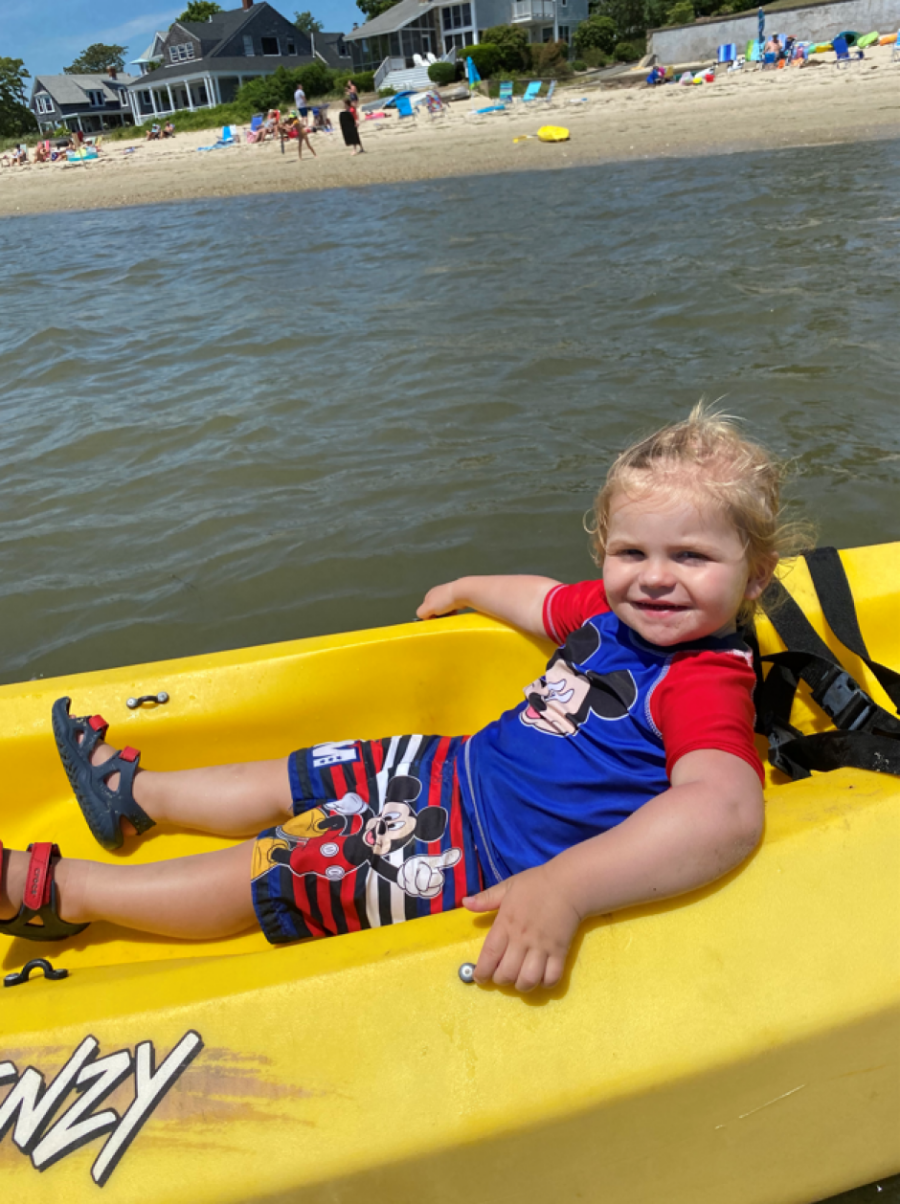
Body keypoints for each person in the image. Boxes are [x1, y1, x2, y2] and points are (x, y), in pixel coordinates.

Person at [0, 409, 800, 993]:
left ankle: (64, 894)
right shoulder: (608, 607)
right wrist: (465, 589)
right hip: (455, 767)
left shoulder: (702, 677)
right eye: (633, 551)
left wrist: (565, 888)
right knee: (296, 775)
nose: (655, 577)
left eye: (690, 556)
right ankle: (135, 796)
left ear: (755, 576)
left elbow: (722, 810)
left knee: (274, 866)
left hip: (483, 854)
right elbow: (542, 598)